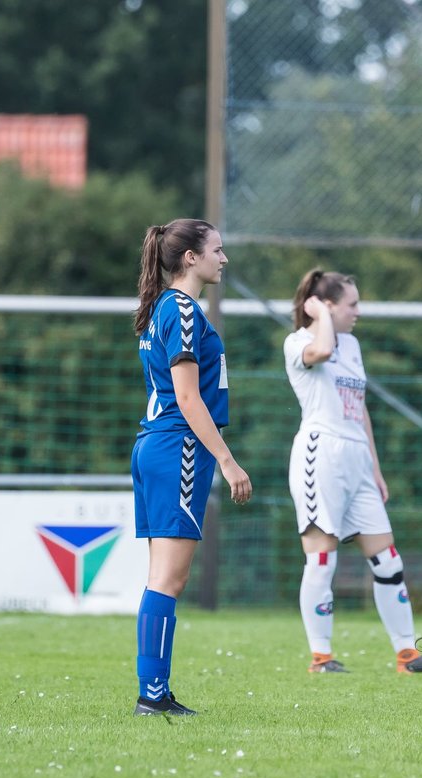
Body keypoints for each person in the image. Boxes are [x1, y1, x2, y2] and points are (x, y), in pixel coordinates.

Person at [283, 269, 422, 675]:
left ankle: (408, 656)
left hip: (357, 461)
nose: (358, 311)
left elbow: (358, 407)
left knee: (387, 560)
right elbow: (323, 351)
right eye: (352, 304)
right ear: (326, 307)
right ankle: (321, 658)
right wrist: (320, 318)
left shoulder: (353, 345)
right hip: (320, 456)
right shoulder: (300, 341)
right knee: (322, 560)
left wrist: (375, 470)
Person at [130, 218, 253, 716]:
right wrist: (227, 460)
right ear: (190, 258)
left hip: (157, 444)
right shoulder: (181, 308)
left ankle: (153, 694)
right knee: (169, 580)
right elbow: (185, 396)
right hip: (178, 446)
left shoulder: (167, 305)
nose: (223, 259)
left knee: (161, 577)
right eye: (217, 250)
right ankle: (152, 696)